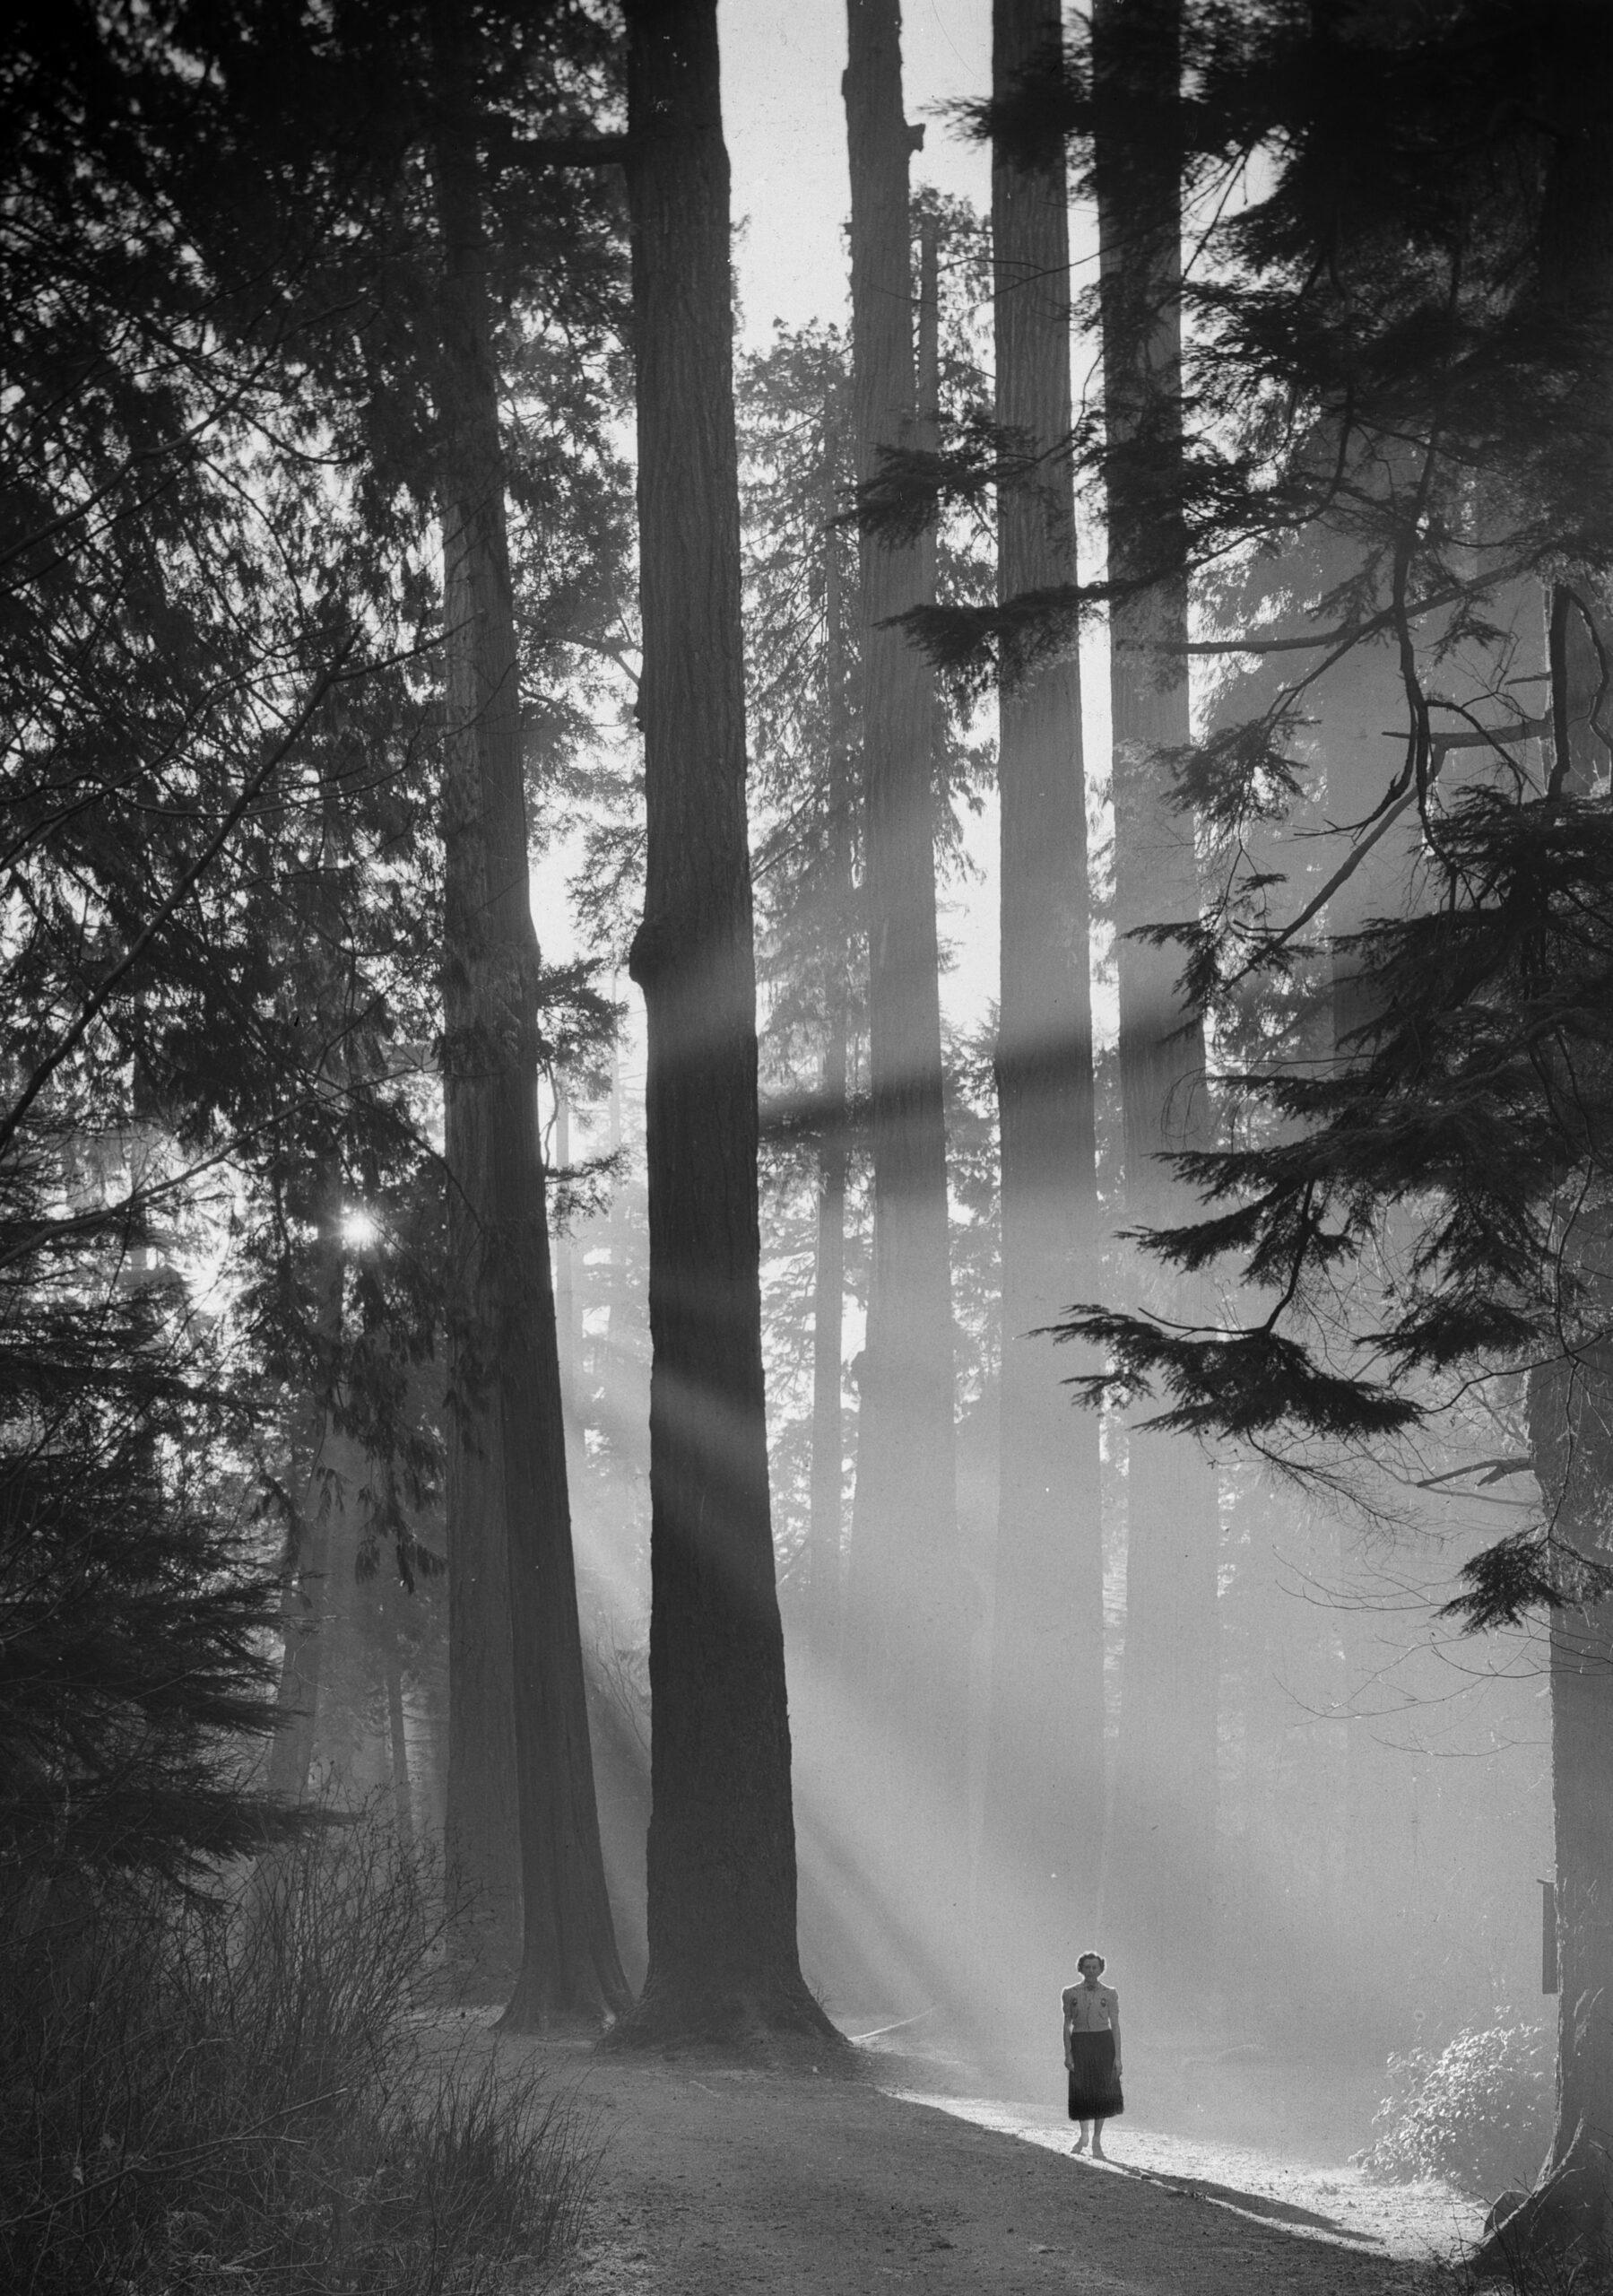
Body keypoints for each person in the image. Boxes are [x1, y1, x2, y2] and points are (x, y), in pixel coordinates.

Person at [1062, 1951, 1123, 2158]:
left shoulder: (1110, 1993)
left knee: (1101, 2091)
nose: (1091, 1971)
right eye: (1087, 1967)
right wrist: (1068, 2053)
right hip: (1080, 2042)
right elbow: (1067, 2024)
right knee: (1081, 2090)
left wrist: (1118, 2057)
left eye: (1094, 1967)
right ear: (1081, 1969)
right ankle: (1084, 2135)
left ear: (1100, 1969)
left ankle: (1097, 2139)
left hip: (1102, 2042)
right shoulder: (1070, 1993)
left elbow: (1115, 2025)